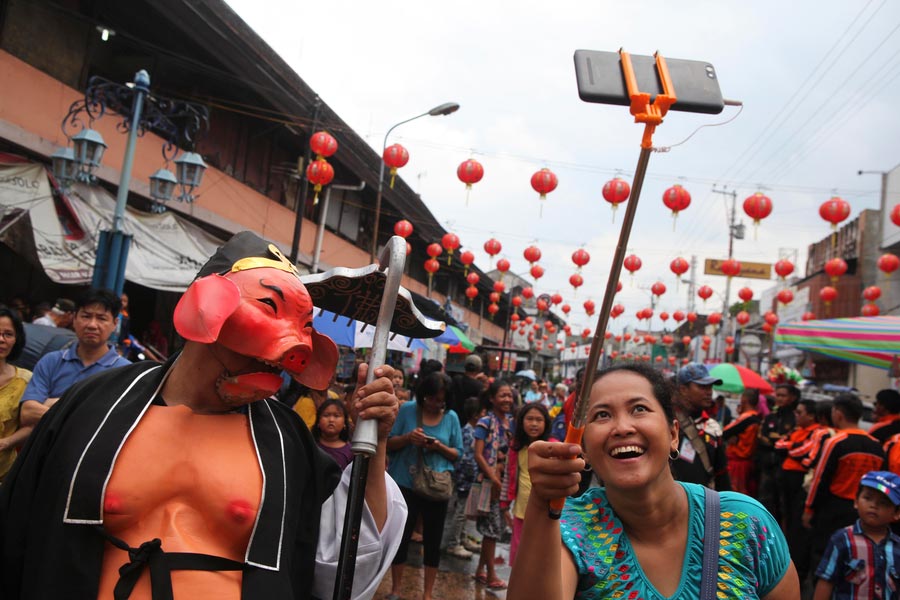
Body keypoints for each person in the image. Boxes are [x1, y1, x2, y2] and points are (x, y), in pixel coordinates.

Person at [0, 231, 406, 600]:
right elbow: (17, 527)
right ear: (204, 309)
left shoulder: (287, 440)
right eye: (267, 306)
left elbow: (342, 562)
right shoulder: (94, 404)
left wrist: (376, 440)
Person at [507, 362, 799, 600]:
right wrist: (542, 504)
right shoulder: (572, 531)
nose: (622, 427)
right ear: (583, 446)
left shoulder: (747, 523)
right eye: (602, 415)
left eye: (639, 409)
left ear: (673, 434)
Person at [386, 371, 462, 600]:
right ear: (423, 395)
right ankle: (396, 589)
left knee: (433, 541)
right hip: (405, 483)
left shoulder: (451, 417)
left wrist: (437, 446)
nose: (435, 404)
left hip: (436, 488)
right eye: (430, 398)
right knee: (400, 537)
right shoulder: (408, 409)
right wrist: (409, 438)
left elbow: (457, 453)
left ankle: (427, 593)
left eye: (440, 400)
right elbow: (389, 443)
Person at [18, 288, 131, 437]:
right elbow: (27, 413)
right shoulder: (51, 361)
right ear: (74, 319)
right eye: (86, 316)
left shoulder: (125, 372)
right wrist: (86, 413)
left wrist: (54, 404)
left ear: (115, 323)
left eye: (101, 318)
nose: (92, 324)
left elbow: (116, 424)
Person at [804, 394, 886, 580]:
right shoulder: (876, 446)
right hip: (862, 511)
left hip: (834, 509)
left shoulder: (836, 442)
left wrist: (809, 509)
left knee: (824, 556)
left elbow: (820, 479)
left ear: (838, 414)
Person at [812, 471, 900, 600]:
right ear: (856, 501)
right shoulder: (842, 540)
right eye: (868, 498)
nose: (873, 505)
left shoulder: (897, 547)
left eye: (883, 503)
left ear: (897, 513)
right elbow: (826, 581)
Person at [774, 399, 823, 583]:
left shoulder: (817, 433)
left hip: (799, 482)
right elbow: (780, 444)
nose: (797, 416)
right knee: (785, 514)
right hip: (785, 477)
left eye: (800, 412)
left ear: (811, 415)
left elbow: (805, 453)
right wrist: (790, 448)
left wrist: (790, 449)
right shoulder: (796, 430)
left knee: (797, 520)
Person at [472, 378, 514, 590]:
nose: (507, 399)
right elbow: (478, 454)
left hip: (503, 483)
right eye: (503, 395)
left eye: (509, 395)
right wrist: (494, 478)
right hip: (489, 484)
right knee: (492, 530)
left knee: (492, 528)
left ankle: (480, 570)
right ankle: (491, 575)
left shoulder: (511, 423)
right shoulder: (485, 422)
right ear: (492, 398)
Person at [501, 402, 551, 566]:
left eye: (539, 419)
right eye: (529, 419)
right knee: (519, 550)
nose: (534, 424)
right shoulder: (516, 447)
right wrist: (504, 504)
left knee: (541, 552)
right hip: (521, 507)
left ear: (546, 423)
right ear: (521, 421)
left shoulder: (553, 447)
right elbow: (509, 476)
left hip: (546, 510)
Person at [672, 362, 731, 490]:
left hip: (702, 503)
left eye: (710, 387)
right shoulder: (667, 423)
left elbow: (721, 474)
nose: (709, 392)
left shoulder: (712, 428)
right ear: (683, 389)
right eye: (702, 387)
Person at [444, 395, 484, 559]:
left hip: (468, 481)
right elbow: (466, 460)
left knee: (465, 513)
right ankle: (453, 544)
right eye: (483, 412)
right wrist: (473, 476)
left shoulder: (474, 432)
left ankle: (461, 538)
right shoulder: (468, 433)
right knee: (460, 513)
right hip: (464, 481)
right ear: (475, 415)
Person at [757, 384, 799, 521]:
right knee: (764, 502)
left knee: (783, 507)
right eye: (778, 395)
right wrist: (775, 440)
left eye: (783, 395)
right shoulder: (770, 417)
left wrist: (778, 440)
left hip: (785, 468)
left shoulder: (795, 419)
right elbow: (762, 437)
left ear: (792, 398)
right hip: (767, 467)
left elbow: (791, 441)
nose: (779, 398)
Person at [0, 306, 31, 482]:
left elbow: (32, 425)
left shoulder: (25, 381)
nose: (1, 339)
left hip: (4, 476)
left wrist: (7, 442)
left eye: (8, 334)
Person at [722, 388, 762, 495]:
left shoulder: (746, 418)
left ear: (744, 400)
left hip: (738, 462)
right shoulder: (757, 417)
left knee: (734, 493)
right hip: (748, 461)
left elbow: (724, 432)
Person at [312, 397, 352, 470]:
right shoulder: (310, 445)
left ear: (344, 423)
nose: (331, 420)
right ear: (318, 421)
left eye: (336, 416)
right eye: (326, 415)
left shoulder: (349, 452)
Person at [447, 354, 484, 418]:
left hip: (453, 416)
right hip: (469, 419)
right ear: (479, 368)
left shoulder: (456, 379)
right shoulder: (479, 386)